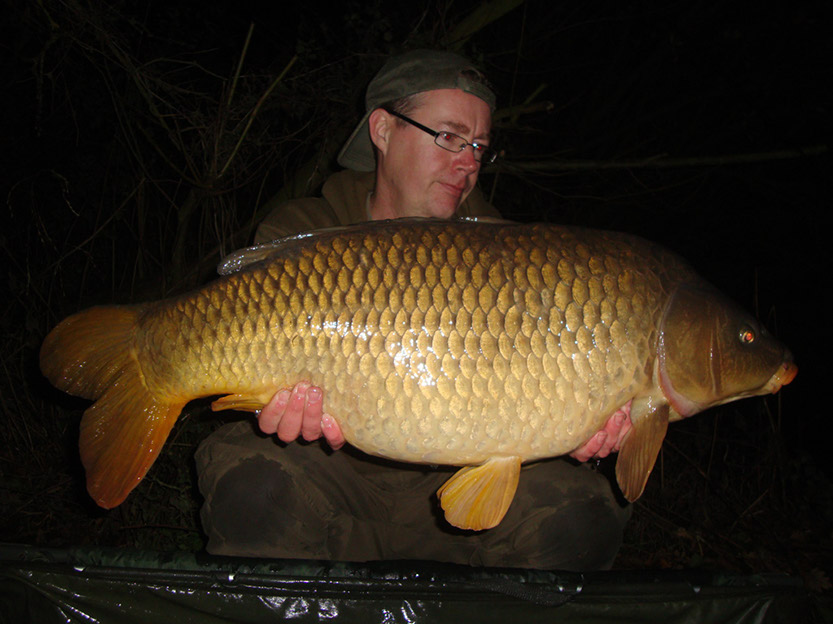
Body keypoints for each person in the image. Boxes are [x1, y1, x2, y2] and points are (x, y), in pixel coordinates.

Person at [196, 49, 631, 569]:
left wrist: (579, 424)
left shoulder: (514, 259)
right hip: (331, 480)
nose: (469, 162)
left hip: (459, 493)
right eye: (449, 136)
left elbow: (551, 380)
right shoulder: (304, 234)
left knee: (583, 517)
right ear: (382, 130)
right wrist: (270, 410)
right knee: (251, 483)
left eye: (479, 146)